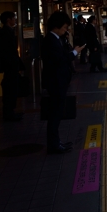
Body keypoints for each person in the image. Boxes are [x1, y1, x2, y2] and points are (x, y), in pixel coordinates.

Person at [41, 11, 83, 154]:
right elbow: (59, 60)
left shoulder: (56, 39)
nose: (66, 30)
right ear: (56, 26)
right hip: (55, 82)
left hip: (58, 81)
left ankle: (56, 142)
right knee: (55, 115)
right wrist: (75, 53)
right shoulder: (50, 41)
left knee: (57, 114)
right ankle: (53, 145)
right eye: (65, 27)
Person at [0, 11, 25, 122]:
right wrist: (12, 63)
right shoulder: (5, 33)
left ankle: (10, 112)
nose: (15, 20)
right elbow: (7, 51)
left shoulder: (6, 32)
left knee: (11, 89)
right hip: (10, 66)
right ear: (8, 20)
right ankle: (9, 113)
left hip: (10, 66)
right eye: (14, 18)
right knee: (10, 89)